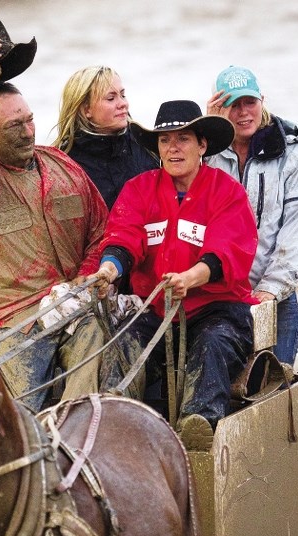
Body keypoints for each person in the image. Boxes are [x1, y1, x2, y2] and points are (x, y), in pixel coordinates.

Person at [0, 16, 109, 412]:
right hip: (9, 324)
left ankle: (75, 430)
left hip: (72, 306)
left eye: (30, 121)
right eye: (15, 126)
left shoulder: (63, 166)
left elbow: (102, 231)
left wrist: (83, 282)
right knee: (18, 416)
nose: (29, 132)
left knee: (96, 336)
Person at [90, 100, 258, 448]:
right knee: (122, 343)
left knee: (212, 344)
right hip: (156, 311)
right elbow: (124, 238)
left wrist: (190, 278)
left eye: (183, 138)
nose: (173, 148)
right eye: (165, 140)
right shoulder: (139, 190)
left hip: (217, 310)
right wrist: (109, 269)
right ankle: (115, 428)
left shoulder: (227, 192)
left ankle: (197, 429)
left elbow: (227, 251)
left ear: (202, 145)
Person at [206, 65, 298, 367]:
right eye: (233, 105)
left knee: (271, 387)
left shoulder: (293, 157)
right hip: (216, 296)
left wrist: (269, 290)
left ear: (262, 101)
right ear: (219, 108)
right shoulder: (205, 155)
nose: (243, 112)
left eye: (250, 102)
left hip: (275, 299)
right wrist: (207, 133)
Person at [53, 65, 158, 210]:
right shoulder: (63, 165)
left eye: (123, 95)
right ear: (86, 109)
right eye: (111, 98)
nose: (123, 104)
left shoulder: (146, 145)